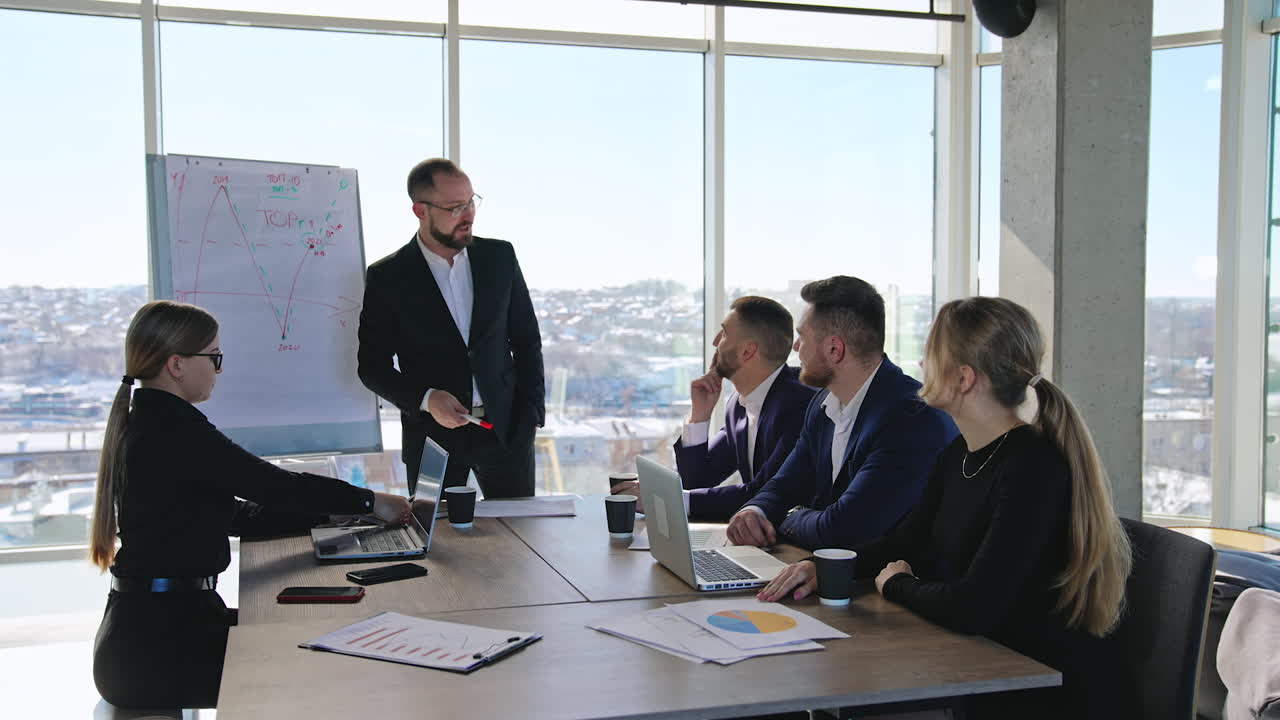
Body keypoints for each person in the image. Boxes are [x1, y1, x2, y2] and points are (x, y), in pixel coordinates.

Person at [758, 296, 1134, 718]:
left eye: (929, 355)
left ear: (964, 378)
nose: (919, 365)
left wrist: (896, 584)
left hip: (1037, 691)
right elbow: (907, 540)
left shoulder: (1032, 466)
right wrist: (826, 566)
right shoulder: (959, 453)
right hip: (977, 667)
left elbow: (973, 606)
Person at [90, 300, 411, 709]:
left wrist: (341, 513)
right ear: (177, 365)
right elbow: (275, 486)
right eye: (214, 357)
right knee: (333, 666)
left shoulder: (154, 421)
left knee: (313, 634)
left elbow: (236, 515)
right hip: (158, 653)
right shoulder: (174, 431)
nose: (219, 370)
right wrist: (370, 501)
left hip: (155, 633)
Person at [725, 276, 957, 550]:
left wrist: (785, 517)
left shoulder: (911, 418)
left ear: (835, 349)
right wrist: (755, 512)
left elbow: (842, 530)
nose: (796, 348)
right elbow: (785, 484)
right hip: (830, 574)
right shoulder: (822, 403)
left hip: (887, 586)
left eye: (802, 337)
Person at [358, 158, 544, 499]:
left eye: (471, 202)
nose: (468, 215)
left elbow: (527, 340)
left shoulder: (500, 257)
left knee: (522, 543)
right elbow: (372, 367)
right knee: (441, 547)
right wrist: (427, 400)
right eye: (455, 207)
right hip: (432, 441)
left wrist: (531, 416)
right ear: (420, 210)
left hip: (506, 432)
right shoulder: (388, 277)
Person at [611, 296, 816, 519]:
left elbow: (764, 493)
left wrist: (668, 499)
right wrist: (699, 415)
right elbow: (698, 481)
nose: (715, 341)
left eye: (725, 333)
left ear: (747, 352)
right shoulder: (737, 406)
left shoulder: (799, 404)